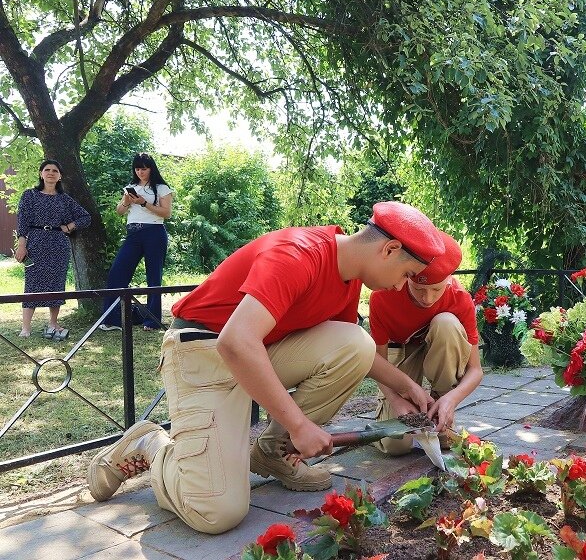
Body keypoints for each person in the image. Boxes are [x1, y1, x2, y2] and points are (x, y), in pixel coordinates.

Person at [87, 201, 444, 534]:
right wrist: (299, 425)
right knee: (217, 513)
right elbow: (235, 342)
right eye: (407, 273)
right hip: (202, 353)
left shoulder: (348, 279)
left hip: (256, 354)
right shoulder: (298, 253)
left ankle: (274, 452)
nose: (401, 286)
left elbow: (354, 355)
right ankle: (152, 445)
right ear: (389, 249)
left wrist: (408, 388)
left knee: (356, 343)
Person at [368, 231, 483, 454]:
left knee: (447, 323)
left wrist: (452, 399)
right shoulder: (384, 295)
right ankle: (390, 415)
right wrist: (395, 399)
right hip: (401, 352)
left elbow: (476, 370)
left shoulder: (460, 298)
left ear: (449, 279)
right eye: (419, 289)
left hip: (440, 346)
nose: (427, 299)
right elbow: (375, 362)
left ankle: (441, 410)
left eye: (436, 289)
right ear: (407, 275)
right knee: (396, 446)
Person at [14, 160, 91, 339]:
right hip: (35, 242)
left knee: (57, 284)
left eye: (55, 170)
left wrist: (69, 226)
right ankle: (26, 327)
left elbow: (85, 217)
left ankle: (53, 323)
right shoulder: (29, 195)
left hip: (58, 244)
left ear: (60, 176)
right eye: (47, 170)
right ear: (41, 174)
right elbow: (22, 223)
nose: (50, 173)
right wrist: (22, 245)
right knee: (32, 284)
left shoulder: (64, 199)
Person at [99, 153, 173, 332]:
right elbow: (119, 211)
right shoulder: (131, 187)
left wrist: (143, 203)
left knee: (153, 277)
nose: (140, 172)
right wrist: (126, 201)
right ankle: (112, 319)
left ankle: (152, 320)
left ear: (151, 169)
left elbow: (166, 213)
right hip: (133, 233)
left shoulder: (162, 188)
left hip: (154, 232)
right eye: (137, 169)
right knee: (117, 272)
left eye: (144, 169)